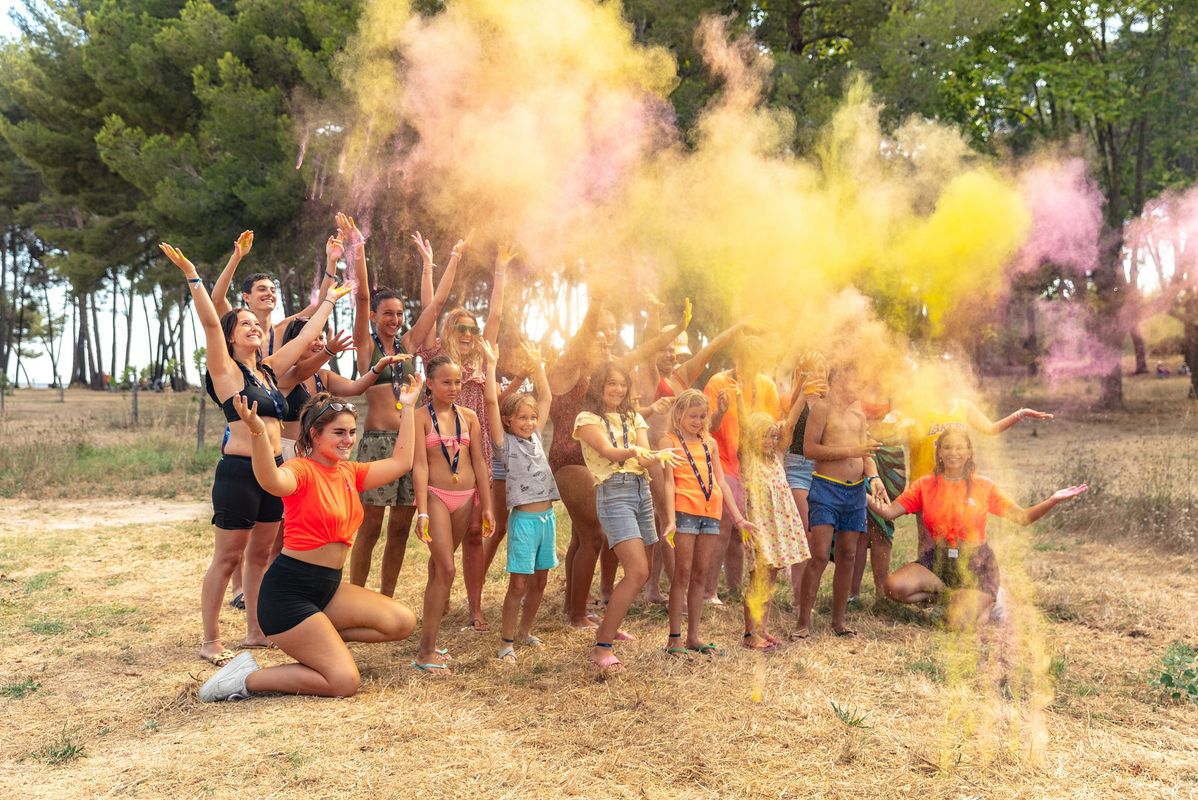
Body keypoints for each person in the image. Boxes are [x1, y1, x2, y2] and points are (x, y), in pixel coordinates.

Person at [159, 241, 353, 666]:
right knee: (227, 557)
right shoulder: (225, 370)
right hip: (238, 473)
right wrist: (193, 273)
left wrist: (329, 299)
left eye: (255, 324)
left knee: (262, 556)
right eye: (243, 323)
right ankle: (210, 638)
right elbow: (210, 323)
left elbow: (304, 337)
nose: (253, 327)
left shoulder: (266, 372)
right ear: (231, 335)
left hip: (273, 472)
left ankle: (255, 631)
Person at [198, 383, 422, 701]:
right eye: (338, 433)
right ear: (315, 435)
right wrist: (259, 434)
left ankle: (319, 641)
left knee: (401, 622)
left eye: (351, 432)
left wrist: (409, 407)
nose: (348, 440)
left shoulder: (349, 472)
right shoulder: (300, 470)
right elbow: (271, 481)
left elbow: (401, 462)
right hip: (287, 597)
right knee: (344, 682)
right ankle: (246, 678)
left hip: (326, 589)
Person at [549, 296, 689, 630]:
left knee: (582, 537)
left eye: (612, 329)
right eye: (601, 329)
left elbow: (642, 353)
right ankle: (578, 614)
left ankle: (575, 607)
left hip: (600, 462)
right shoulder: (569, 366)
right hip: (571, 458)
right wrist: (600, 291)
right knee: (595, 534)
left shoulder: (606, 372)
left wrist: (678, 330)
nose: (607, 335)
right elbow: (586, 329)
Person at [870, 428, 1086, 628]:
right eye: (947, 447)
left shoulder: (984, 486)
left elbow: (1023, 518)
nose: (953, 452)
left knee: (958, 624)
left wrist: (1053, 500)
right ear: (939, 452)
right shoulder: (924, 485)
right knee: (894, 587)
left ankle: (991, 600)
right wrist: (859, 492)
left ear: (969, 452)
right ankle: (950, 596)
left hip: (976, 562)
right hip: (939, 559)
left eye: (959, 447)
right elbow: (889, 512)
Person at [348, 216, 458, 597]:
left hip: (410, 446)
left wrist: (440, 262)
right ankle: (355, 598)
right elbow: (361, 297)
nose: (394, 320)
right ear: (375, 316)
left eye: (399, 314)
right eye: (387, 314)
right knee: (371, 527)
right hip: (378, 443)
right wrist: (357, 249)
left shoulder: (409, 346)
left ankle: (385, 599)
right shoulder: (365, 345)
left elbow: (438, 303)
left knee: (399, 529)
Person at [415, 244, 514, 633]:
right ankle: (435, 595)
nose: (472, 334)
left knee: (476, 533)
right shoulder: (434, 356)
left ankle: (475, 608)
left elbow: (496, 314)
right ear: (448, 332)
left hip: (479, 449)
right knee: (445, 543)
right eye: (464, 328)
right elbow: (432, 306)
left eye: (474, 329)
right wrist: (433, 265)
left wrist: (500, 271)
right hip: (442, 452)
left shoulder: (480, 359)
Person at [573, 362, 676, 672]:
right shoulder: (587, 418)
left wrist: (655, 457)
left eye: (622, 384)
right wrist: (642, 454)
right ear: (598, 387)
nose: (618, 389)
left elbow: (643, 457)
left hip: (640, 491)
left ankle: (611, 622)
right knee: (637, 570)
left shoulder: (633, 417)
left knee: (640, 573)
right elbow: (607, 451)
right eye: (611, 384)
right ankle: (602, 647)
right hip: (614, 493)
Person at [412, 355, 496, 673]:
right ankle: (424, 651)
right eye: (446, 381)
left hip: (466, 498)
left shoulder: (470, 417)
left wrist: (486, 505)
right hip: (435, 496)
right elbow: (419, 466)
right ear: (430, 383)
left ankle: (430, 643)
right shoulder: (420, 417)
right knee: (447, 569)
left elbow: (479, 462)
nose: (453, 387)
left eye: (458, 381)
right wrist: (421, 511)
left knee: (439, 570)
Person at [795, 362, 884, 639]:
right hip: (826, 489)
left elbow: (865, 454)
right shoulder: (820, 409)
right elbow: (809, 450)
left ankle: (838, 621)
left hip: (855, 492)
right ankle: (803, 623)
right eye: (849, 382)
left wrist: (875, 478)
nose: (854, 388)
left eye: (858, 383)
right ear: (836, 382)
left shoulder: (858, 413)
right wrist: (852, 450)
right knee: (820, 555)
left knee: (848, 554)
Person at [658, 389, 750, 658]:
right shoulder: (669, 440)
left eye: (702, 416)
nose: (697, 421)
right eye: (692, 416)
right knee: (682, 574)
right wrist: (671, 520)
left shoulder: (709, 442)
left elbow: (721, 481)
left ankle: (693, 636)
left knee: (701, 574)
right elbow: (668, 482)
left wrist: (739, 518)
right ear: (678, 414)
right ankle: (674, 638)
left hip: (711, 513)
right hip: (685, 512)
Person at [482, 340, 558, 662]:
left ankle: (526, 632)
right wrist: (491, 364)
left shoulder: (537, 438)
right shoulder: (506, 445)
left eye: (532, 417)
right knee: (518, 585)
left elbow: (547, 397)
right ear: (509, 421)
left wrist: (539, 366)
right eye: (521, 418)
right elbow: (489, 403)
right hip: (525, 523)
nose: (528, 423)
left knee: (540, 581)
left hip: (548, 521)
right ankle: (506, 642)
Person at [907, 397, 1053, 554]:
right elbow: (896, 432)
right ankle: (927, 575)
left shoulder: (963, 407)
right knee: (927, 540)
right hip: (927, 485)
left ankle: (959, 574)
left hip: (959, 483)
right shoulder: (917, 405)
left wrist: (1020, 414)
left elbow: (990, 429)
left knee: (959, 538)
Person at [702, 337, 782, 604]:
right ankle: (709, 592)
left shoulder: (766, 386)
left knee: (742, 531)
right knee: (724, 526)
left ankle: (734, 589)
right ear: (735, 358)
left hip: (754, 466)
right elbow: (708, 428)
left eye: (755, 363)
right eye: (744, 362)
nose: (748, 368)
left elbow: (772, 427)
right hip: (724, 463)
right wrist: (723, 411)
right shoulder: (717, 383)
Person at [276, 318, 408, 461]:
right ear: (295, 342)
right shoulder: (283, 373)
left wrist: (378, 367)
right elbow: (300, 373)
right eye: (313, 338)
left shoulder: (322, 376)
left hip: (316, 452)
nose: (319, 343)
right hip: (289, 452)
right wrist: (328, 351)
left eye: (321, 338)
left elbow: (356, 387)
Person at [740, 413, 811, 651]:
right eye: (764, 437)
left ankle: (762, 629)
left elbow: (788, 426)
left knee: (770, 580)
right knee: (758, 579)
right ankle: (750, 633)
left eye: (772, 436)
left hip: (778, 529)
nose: (770, 442)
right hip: (760, 528)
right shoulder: (749, 460)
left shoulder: (777, 459)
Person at [780, 354, 826, 636]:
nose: (817, 374)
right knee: (804, 533)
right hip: (796, 467)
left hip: (822, 470)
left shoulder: (831, 404)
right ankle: (798, 597)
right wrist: (802, 393)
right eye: (811, 369)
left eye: (822, 369)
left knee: (816, 536)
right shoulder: (790, 398)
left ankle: (805, 594)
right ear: (801, 371)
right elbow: (785, 430)